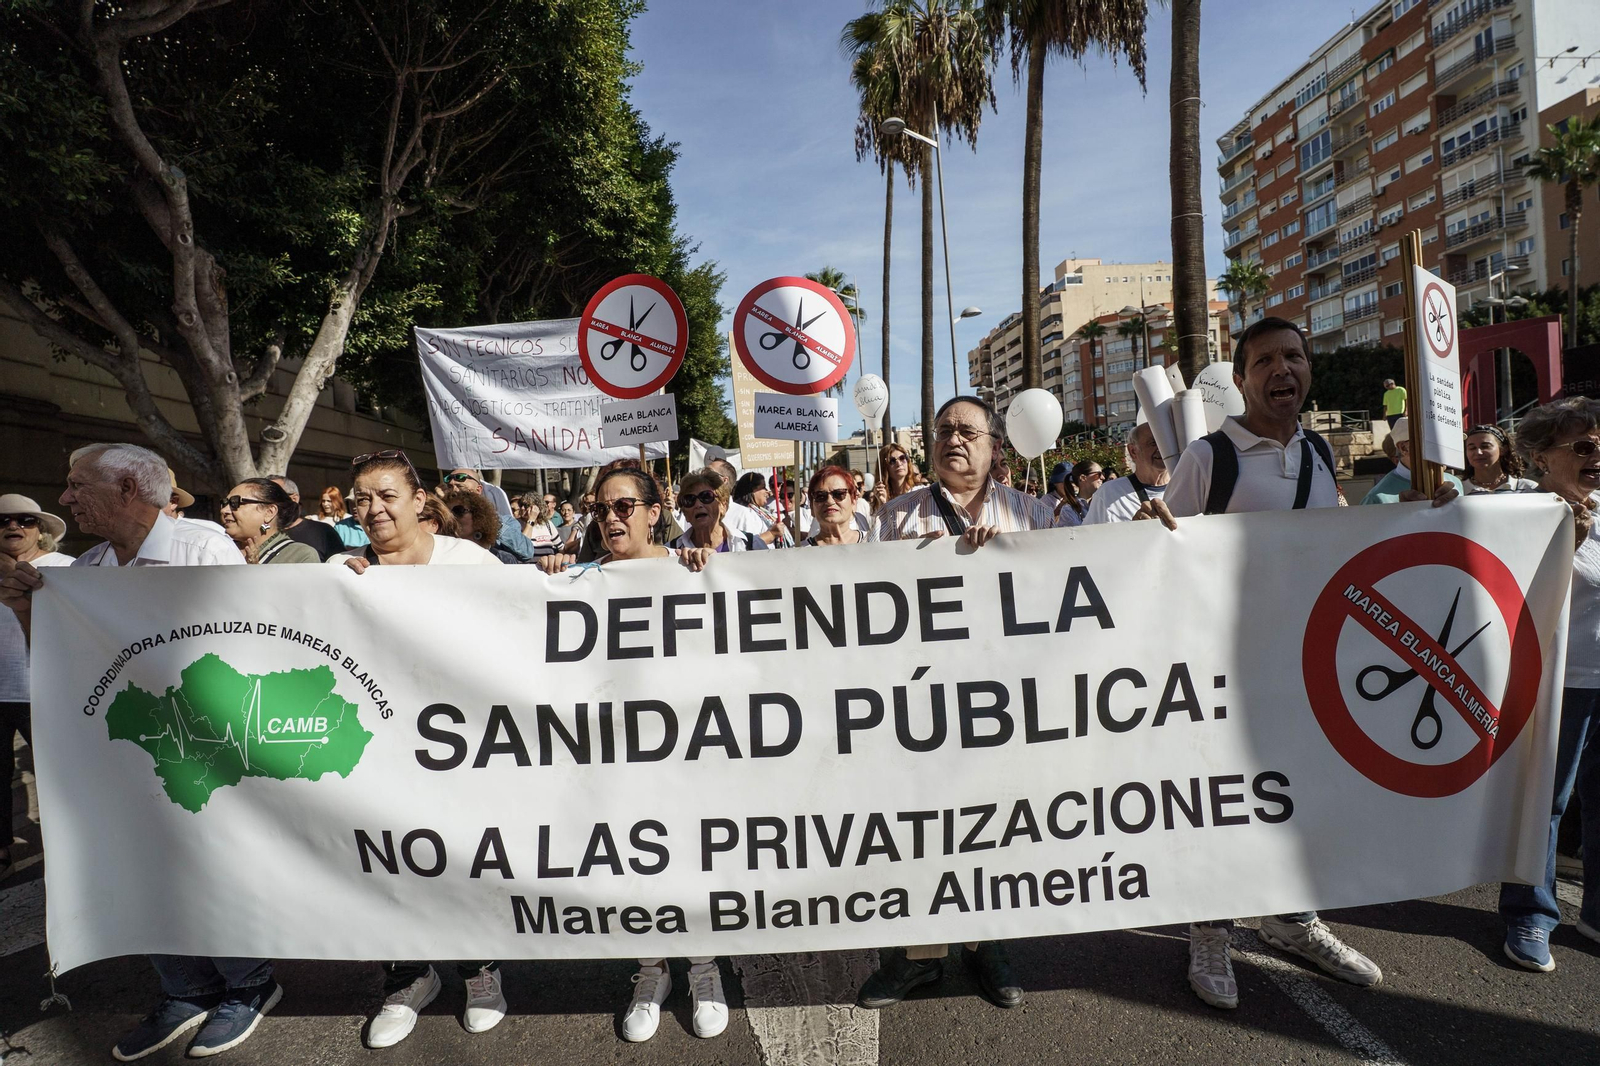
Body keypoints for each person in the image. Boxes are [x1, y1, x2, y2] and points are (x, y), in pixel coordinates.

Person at [1141, 316, 1456, 1010]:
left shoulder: (1316, 451)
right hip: (1222, 669)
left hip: (1304, 665)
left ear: (1309, 368)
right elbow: (1158, 555)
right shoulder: (1209, 458)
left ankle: (1291, 920)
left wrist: (1420, 517)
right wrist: (1149, 532)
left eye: (1294, 357)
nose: (1281, 370)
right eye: (1264, 361)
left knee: (1297, 796)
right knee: (1221, 801)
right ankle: (1210, 928)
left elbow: (1336, 544)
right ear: (1241, 378)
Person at [0, 444, 280, 1059]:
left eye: (78, 486)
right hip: (127, 747)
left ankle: (249, 984)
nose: (65, 499)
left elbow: (253, 641)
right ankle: (186, 989)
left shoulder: (202, 548)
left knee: (210, 865)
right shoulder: (88, 568)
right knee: (136, 865)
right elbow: (61, 663)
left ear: (127, 488)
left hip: (205, 748)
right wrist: (26, 611)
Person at [863, 396, 1062, 1012]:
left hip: (1005, 707)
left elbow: (1074, 593)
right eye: (944, 430)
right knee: (923, 831)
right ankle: (918, 956)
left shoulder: (1035, 516)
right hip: (920, 709)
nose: (954, 439)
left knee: (997, 827)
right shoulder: (893, 519)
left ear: (995, 446)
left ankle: (988, 945)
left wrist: (1010, 562)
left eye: (968, 431)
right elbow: (861, 609)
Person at [325, 452, 503, 1046]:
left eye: (386, 496)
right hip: (379, 747)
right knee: (387, 859)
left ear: (420, 500)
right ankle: (408, 975)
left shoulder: (470, 562)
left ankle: (479, 969)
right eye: (361, 499)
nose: (373, 509)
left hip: (460, 743)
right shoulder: (343, 571)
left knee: (462, 855)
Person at [1499, 396, 1600, 971]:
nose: (1596, 456)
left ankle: (1595, 913)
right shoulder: (1520, 512)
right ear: (1541, 457)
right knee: (1547, 803)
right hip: (1560, 683)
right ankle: (1529, 915)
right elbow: (1505, 590)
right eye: (1583, 446)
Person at [0, 495, 73, 882]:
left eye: (25, 520)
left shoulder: (67, 569)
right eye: (3, 521)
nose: (13, 526)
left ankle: (72, 849)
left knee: (63, 773)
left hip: (48, 692)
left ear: (40, 530)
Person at [435, 469, 538, 561]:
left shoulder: (505, 521)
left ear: (478, 489)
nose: (454, 488)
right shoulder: (442, 519)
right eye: (450, 486)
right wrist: (438, 504)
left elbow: (526, 552)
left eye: (460, 486)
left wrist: (489, 520)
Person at [1359, 417, 1465, 504]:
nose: (1446, 450)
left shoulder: (1455, 482)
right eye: (1434, 443)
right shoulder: (1377, 499)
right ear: (1404, 448)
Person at [219, 479, 321, 564]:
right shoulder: (217, 551)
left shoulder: (300, 556)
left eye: (235, 503)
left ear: (269, 512)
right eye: (224, 503)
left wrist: (253, 572)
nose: (224, 510)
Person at [1082, 423, 1167, 524]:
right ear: (1133, 451)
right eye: (1153, 443)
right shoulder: (1108, 494)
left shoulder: (1184, 490)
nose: (1163, 448)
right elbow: (1090, 533)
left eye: (1167, 442)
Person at [671, 470, 771, 554]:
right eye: (689, 500)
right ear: (685, 513)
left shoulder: (751, 545)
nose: (698, 504)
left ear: (723, 506)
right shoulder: (672, 551)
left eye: (706, 496)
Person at [707, 457, 779, 545]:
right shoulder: (696, 507)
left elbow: (751, 547)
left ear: (724, 481)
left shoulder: (745, 515)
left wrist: (772, 534)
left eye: (709, 474)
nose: (766, 491)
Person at [267, 476, 343, 560]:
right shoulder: (258, 534)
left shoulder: (324, 533)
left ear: (294, 499)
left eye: (274, 496)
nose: (267, 502)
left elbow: (339, 563)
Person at [444, 489, 520, 563]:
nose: (451, 517)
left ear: (479, 515)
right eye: (446, 513)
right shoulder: (442, 555)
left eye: (458, 511)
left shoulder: (503, 559)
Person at [801, 465, 868, 546]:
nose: (830, 501)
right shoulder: (798, 551)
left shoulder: (872, 542)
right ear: (811, 507)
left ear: (853, 501)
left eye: (839, 494)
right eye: (820, 496)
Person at [1464, 424, 1539, 494]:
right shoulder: (1460, 490)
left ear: (1503, 449)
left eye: (1485, 446)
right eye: (1472, 448)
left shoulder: (1529, 488)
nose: (1478, 452)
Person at [734, 472, 792, 547]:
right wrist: (772, 533)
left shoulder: (758, 511)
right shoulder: (744, 513)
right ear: (753, 490)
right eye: (763, 487)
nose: (767, 491)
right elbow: (745, 544)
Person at [867, 442, 923, 512]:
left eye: (902, 458)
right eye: (892, 461)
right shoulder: (878, 500)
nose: (899, 464)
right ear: (884, 467)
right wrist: (883, 504)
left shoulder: (920, 492)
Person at [1047, 461, 1087, 527]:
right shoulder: (1047, 500)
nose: (1070, 485)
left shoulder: (1081, 500)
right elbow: (1047, 524)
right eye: (1064, 482)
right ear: (1055, 483)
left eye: (1072, 481)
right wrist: (1062, 504)